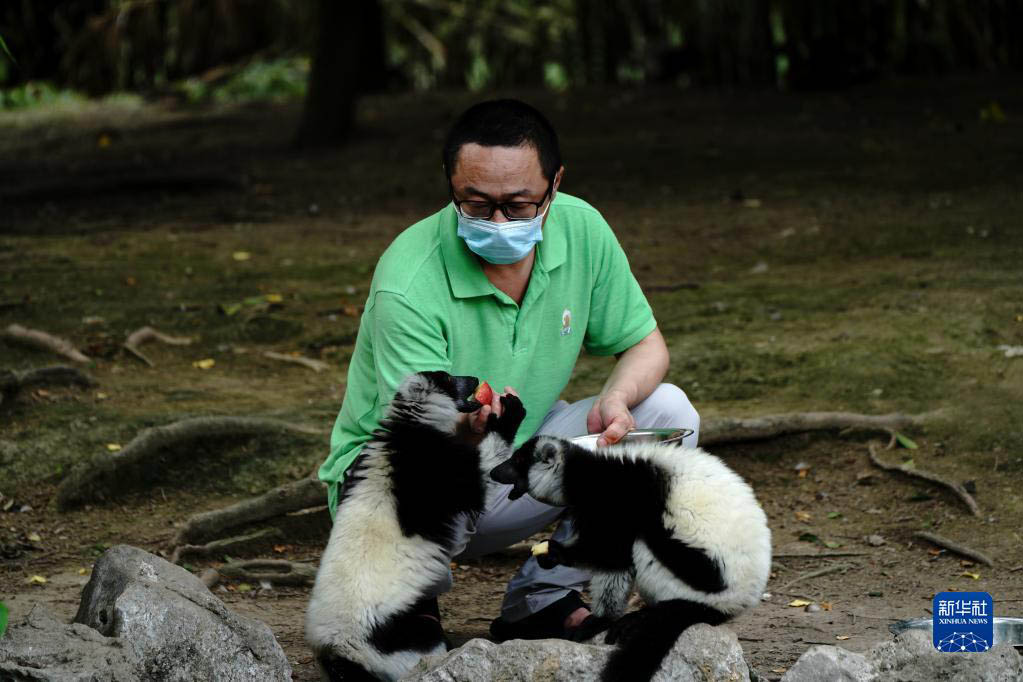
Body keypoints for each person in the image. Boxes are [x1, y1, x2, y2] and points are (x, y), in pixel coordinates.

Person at [318, 98, 701, 640]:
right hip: (407, 487)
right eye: (476, 204)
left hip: (516, 465)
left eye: (518, 205)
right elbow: (413, 438)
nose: (497, 222)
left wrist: (616, 399)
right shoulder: (408, 281)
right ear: (451, 182)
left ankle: (543, 597)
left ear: (555, 184)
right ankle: (406, 600)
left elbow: (645, 345)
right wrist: (468, 431)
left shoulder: (583, 230)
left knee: (667, 412)